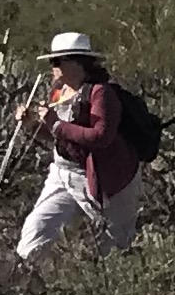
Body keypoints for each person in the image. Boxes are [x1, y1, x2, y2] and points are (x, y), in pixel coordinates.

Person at [14, 32, 150, 259]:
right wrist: (32, 126)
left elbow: (100, 137)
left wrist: (55, 124)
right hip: (62, 171)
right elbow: (60, 137)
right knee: (37, 228)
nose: (52, 67)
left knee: (118, 239)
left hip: (99, 174)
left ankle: (126, 279)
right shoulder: (59, 91)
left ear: (75, 63)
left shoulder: (101, 94)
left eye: (56, 61)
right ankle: (25, 274)